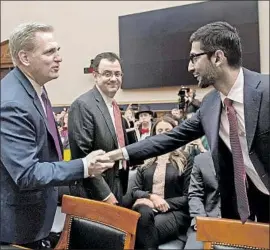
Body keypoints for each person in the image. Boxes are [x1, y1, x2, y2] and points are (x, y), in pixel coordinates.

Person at [105, 21, 269, 224]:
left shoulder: (266, 91)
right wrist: (118, 154)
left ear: (217, 57)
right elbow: (169, 138)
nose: (190, 67)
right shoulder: (210, 105)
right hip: (258, 205)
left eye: (194, 58)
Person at [0, 22, 114, 248]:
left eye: (58, 50)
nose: (59, 57)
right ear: (24, 58)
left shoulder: (33, 87)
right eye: (50, 51)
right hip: (17, 228)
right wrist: (83, 166)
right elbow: (27, 173)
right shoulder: (13, 102)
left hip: (37, 219)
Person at [68, 52, 136, 205]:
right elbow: (83, 157)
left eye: (117, 74)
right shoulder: (83, 105)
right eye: (107, 74)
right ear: (95, 76)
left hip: (118, 181)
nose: (113, 79)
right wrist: (106, 195)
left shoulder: (114, 106)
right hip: (95, 192)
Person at [131, 116, 192, 249]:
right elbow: (135, 190)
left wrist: (161, 203)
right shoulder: (146, 158)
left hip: (174, 211)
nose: (163, 133)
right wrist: (151, 197)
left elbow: (188, 197)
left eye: (167, 130)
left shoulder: (186, 158)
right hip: (147, 208)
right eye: (159, 131)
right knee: (144, 215)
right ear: (154, 134)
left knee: (142, 229)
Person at [184, 152, 221, 249]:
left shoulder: (246, 157)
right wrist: (201, 220)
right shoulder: (201, 159)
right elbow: (195, 194)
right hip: (207, 217)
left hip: (238, 222)